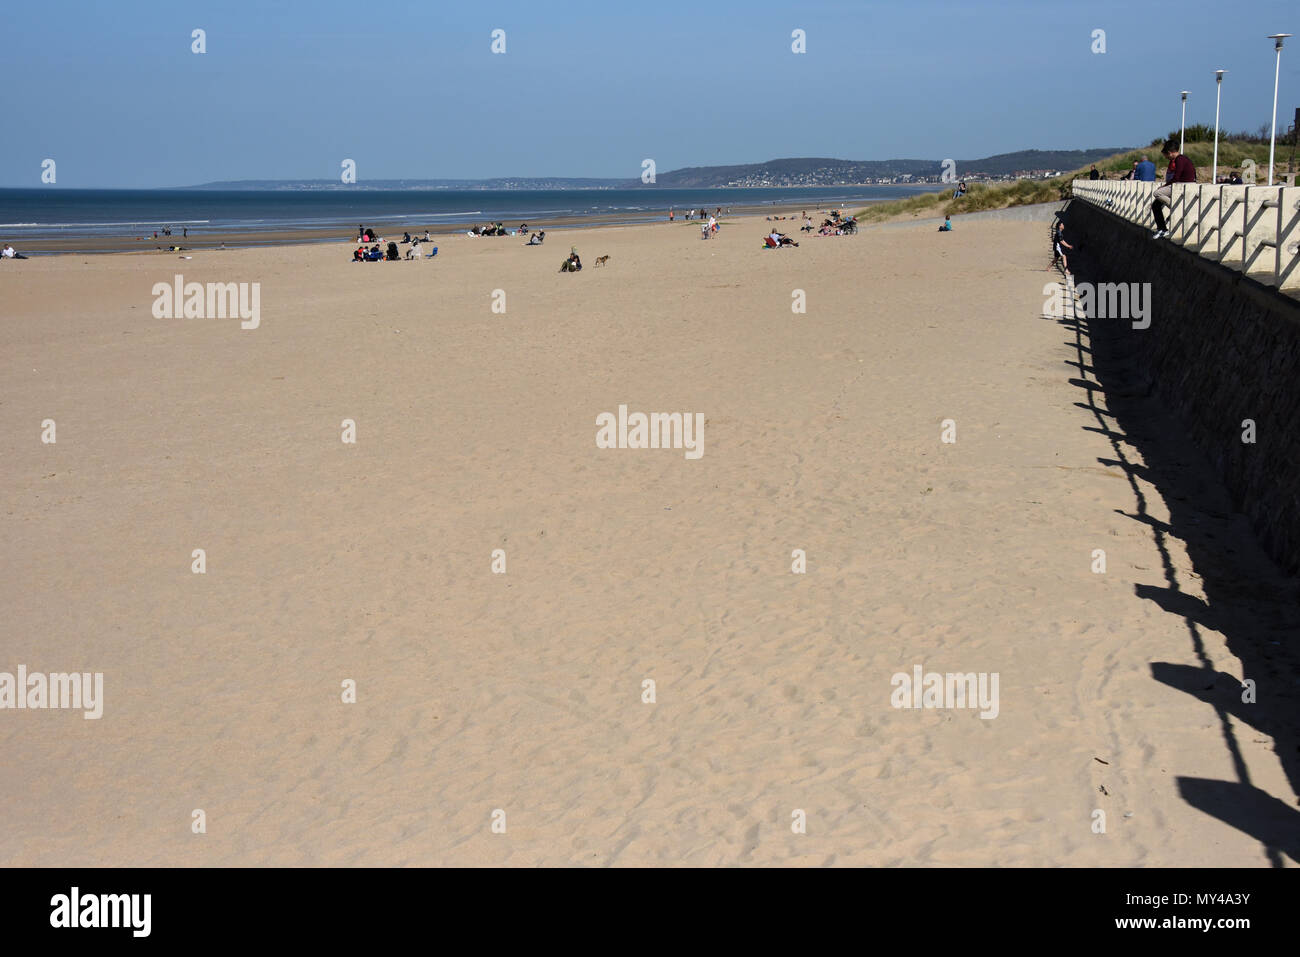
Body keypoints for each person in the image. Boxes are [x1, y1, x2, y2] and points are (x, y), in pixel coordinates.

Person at [1151, 139, 1196, 239]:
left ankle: (1175, 207)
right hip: (1178, 185)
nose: (1166, 158)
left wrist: (1164, 186)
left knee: (1157, 193)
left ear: (1170, 153)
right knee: (1155, 205)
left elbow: (1176, 177)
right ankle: (1162, 229)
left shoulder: (1180, 159)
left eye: (1166, 155)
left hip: (1182, 186)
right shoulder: (1180, 159)